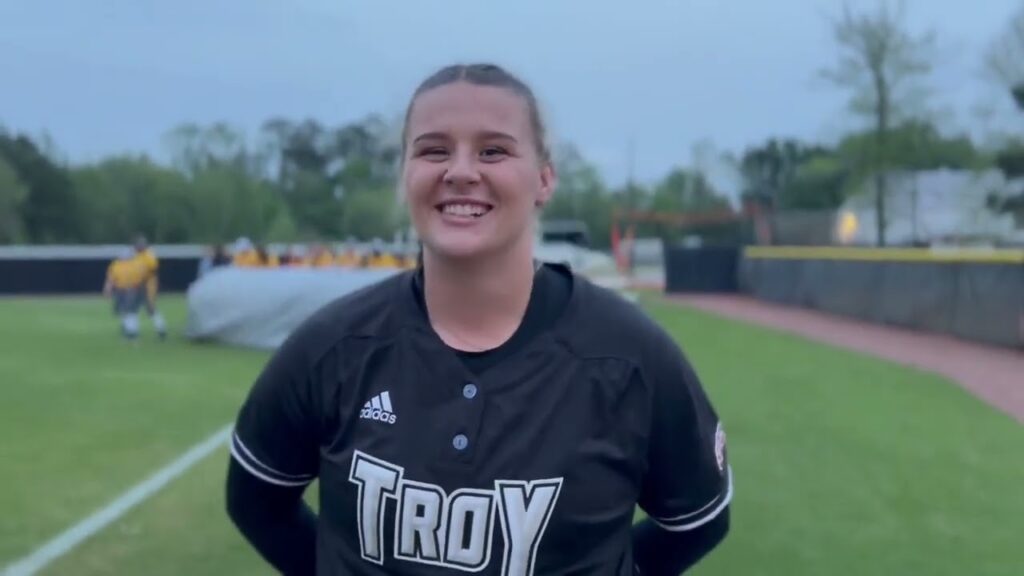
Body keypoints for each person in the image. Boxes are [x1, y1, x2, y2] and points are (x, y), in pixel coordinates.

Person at [226, 63, 732, 575]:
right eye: (433, 149)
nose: (461, 171)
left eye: (493, 150)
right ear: (405, 173)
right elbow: (256, 501)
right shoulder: (331, 345)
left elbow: (696, 523)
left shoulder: (631, 358)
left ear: (544, 178)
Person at [103, 247, 149, 340]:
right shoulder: (116, 265)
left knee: (131, 311)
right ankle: (128, 328)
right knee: (123, 311)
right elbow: (111, 279)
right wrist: (107, 289)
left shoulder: (136, 265)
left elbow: (143, 278)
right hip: (121, 290)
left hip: (133, 289)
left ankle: (132, 332)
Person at [132, 235, 168, 340]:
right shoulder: (137, 255)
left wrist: (142, 279)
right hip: (137, 283)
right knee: (133, 307)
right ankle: (132, 330)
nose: (137, 247)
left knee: (150, 307)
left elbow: (153, 269)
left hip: (148, 283)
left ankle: (161, 328)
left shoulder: (149, 255)